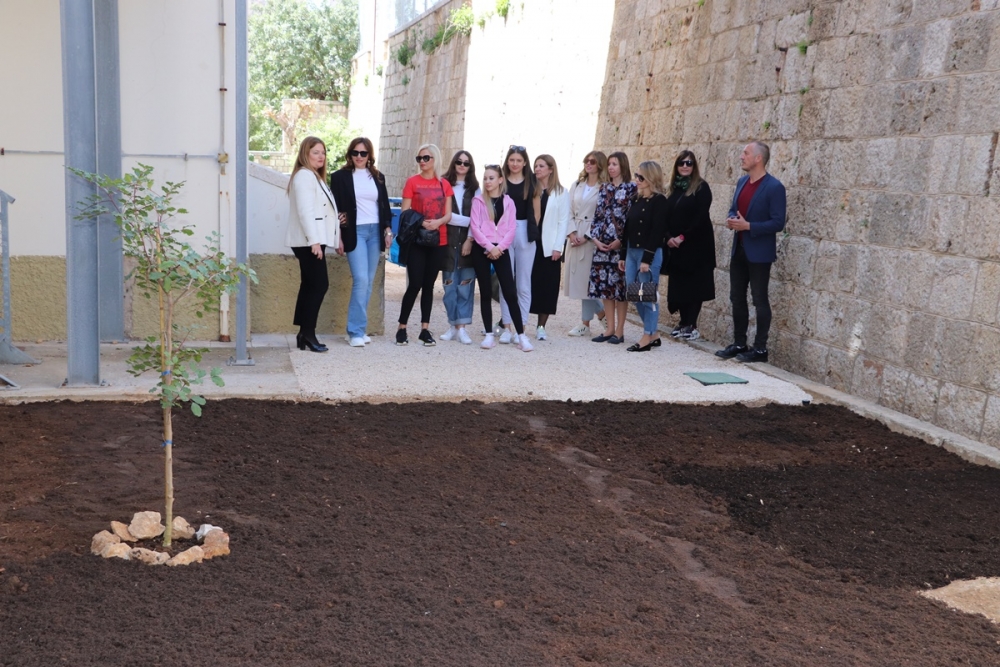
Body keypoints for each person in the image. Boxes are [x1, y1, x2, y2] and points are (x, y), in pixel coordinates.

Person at [715, 141, 786, 363]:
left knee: (759, 299)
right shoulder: (741, 182)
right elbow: (733, 209)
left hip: (759, 253)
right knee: (736, 297)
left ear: (758, 158)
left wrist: (749, 226)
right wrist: (733, 220)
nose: (741, 156)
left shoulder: (774, 187)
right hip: (739, 249)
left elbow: (777, 223)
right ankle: (739, 343)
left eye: (745, 153)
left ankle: (760, 349)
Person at [329, 137, 393, 348]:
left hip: (375, 232)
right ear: (350, 154)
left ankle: (358, 330)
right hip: (354, 232)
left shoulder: (378, 177)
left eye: (363, 153)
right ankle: (355, 330)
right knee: (361, 280)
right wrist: (338, 236)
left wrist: (387, 230)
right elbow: (336, 210)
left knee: (368, 282)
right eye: (355, 153)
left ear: (369, 156)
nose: (359, 157)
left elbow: (384, 207)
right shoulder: (339, 177)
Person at [285, 136, 342, 353]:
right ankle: (308, 334)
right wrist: (314, 241)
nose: (321, 156)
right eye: (315, 152)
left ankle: (303, 334)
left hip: (312, 241)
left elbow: (319, 210)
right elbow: (305, 212)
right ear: (305, 154)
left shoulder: (313, 177)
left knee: (310, 285)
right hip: (309, 241)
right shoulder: (304, 176)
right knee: (319, 285)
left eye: (323, 152)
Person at [468, 165, 533, 352]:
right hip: (483, 250)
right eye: (485, 178)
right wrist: (489, 247)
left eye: (491, 178)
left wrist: (499, 248)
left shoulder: (509, 202)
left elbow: (512, 229)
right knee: (486, 293)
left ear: (500, 180)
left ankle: (521, 335)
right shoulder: (478, 202)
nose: (487, 181)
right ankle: (489, 334)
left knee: (510, 292)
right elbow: (475, 227)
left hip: (501, 250)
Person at [396, 143, 453, 346]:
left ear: (434, 159)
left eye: (426, 158)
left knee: (429, 286)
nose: (422, 162)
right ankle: (402, 328)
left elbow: (448, 213)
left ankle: (424, 329)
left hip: (440, 240)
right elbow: (404, 212)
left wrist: (438, 223)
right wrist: (421, 222)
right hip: (417, 240)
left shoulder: (444, 184)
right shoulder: (412, 182)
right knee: (415, 285)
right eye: (419, 158)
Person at [662, 150, 716, 341]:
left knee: (695, 286)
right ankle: (683, 322)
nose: (685, 166)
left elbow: (701, 216)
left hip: (696, 247)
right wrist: (669, 237)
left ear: (694, 167)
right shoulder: (672, 189)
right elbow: (664, 216)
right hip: (676, 247)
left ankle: (691, 324)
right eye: (681, 163)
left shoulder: (701, 188)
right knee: (679, 286)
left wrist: (682, 237)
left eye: (689, 163)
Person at [619, 161, 667, 352]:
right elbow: (627, 229)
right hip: (631, 252)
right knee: (634, 294)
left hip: (649, 254)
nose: (636, 180)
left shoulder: (660, 201)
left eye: (640, 177)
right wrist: (623, 255)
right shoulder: (635, 199)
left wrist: (647, 259)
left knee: (648, 295)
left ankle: (647, 334)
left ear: (651, 178)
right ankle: (653, 333)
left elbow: (658, 232)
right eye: (636, 176)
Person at [588, 151, 635, 345]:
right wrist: (595, 239)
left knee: (620, 289)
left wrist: (621, 241)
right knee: (606, 289)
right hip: (602, 244)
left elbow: (631, 219)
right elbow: (598, 214)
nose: (611, 167)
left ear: (623, 165)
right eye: (609, 164)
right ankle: (609, 328)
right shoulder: (604, 188)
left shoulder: (632, 188)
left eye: (614, 164)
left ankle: (620, 330)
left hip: (620, 246)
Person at [563, 151, 608, 337]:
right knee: (579, 282)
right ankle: (601, 314)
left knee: (586, 283)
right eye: (586, 161)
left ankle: (585, 323)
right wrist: (572, 233)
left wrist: (587, 236)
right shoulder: (577, 185)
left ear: (599, 165)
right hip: (575, 235)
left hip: (591, 238)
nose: (588, 164)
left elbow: (603, 216)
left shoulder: (604, 187)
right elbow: (568, 211)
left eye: (592, 162)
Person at [497, 145, 537, 344]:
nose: (514, 164)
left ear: (524, 162)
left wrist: (532, 232)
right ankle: (506, 326)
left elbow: (536, 211)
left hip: (524, 230)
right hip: (504, 230)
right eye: (511, 160)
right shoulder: (501, 181)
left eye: (518, 160)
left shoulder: (531, 182)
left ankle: (522, 325)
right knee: (506, 281)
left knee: (523, 282)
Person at [439, 150, 480, 345]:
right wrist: (464, 220)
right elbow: (442, 213)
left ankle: (462, 328)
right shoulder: (443, 184)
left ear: (471, 167)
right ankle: (452, 325)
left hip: (468, 242)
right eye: (459, 162)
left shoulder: (476, 189)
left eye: (466, 163)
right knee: (449, 286)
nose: (462, 165)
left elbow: (479, 219)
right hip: (447, 241)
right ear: (453, 163)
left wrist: (470, 239)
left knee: (466, 285)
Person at [528, 154, 569, 341]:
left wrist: (558, 247)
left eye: (541, 166)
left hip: (549, 246)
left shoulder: (561, 193)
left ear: (551, 169)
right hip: (530, 242)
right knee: (524, 282)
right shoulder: (530, 189)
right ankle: (512, 320)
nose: (537, 169)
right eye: (535, 166)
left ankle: (541, 326)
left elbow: (563, 222)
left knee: (547, 286)